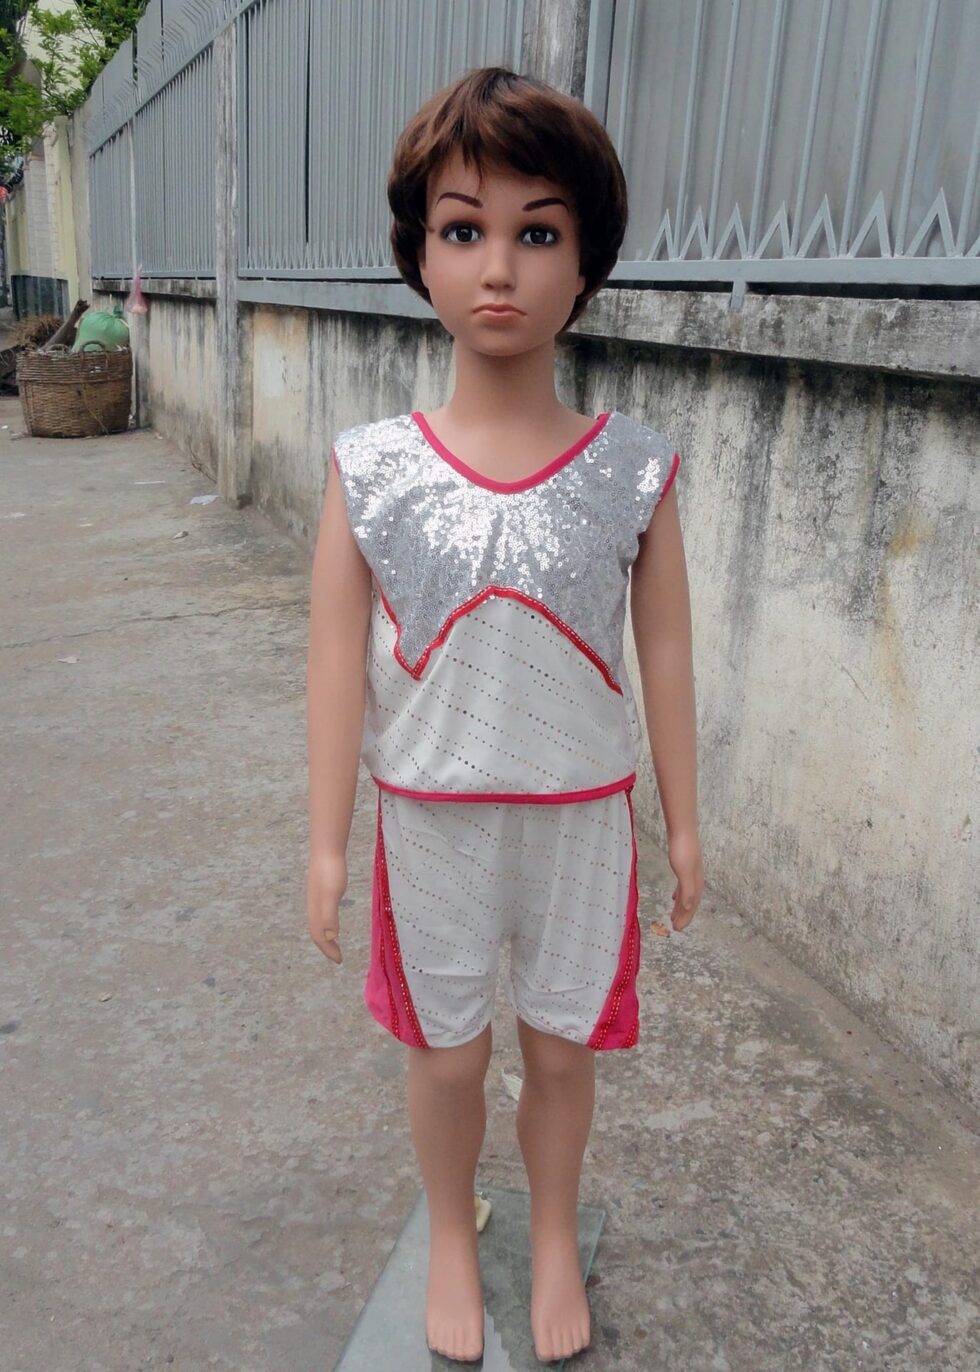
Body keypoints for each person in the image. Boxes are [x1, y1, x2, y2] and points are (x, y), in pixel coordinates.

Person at [306, 66, 703, 1365]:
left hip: (581, 817)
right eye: (463, 228)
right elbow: (334, 654)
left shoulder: (634, 469)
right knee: (446, 1057)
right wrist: (325, 842)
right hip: (430, 818)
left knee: (566, 1053)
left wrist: (684, 823)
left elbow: (665, 645)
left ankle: (551, 1235)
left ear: (585, 264)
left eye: (538, 232)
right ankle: (448, 1231)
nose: (498, 268)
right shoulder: (372, 469)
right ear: (418, 254)